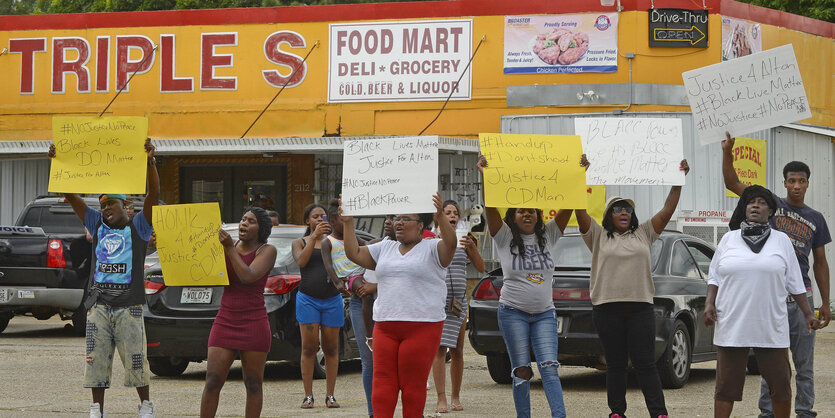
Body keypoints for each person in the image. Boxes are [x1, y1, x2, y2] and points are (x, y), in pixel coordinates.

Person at [721, 132, 831, 418]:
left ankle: (805, 411)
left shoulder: (816, 218)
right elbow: (733, 183)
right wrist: (727, 153)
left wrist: (825, 303)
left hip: (802, 293)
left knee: (804, 364)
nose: (796, 185)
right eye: (791, 181)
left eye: (801, 181)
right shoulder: (770, 204)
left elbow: (820, 262)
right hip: (772, 297)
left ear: (808, 183)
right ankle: (767, 413)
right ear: (784, 184)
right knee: (773, 360)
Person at [48, 139, 159, 418]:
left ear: (126, 206)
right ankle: (96, 409)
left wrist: (151, 161)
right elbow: (72, 197)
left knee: (136, 360)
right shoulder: (96, 225)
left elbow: (154, 195)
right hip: (98, 306)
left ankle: (145, 406)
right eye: (103, 204)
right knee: (95, 360)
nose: (107, 208)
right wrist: (57, 163)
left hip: (129, 307)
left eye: (112, 203)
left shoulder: (139, 228)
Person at [574, 154, 688, 418]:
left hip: (640, 309)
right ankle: (617, 412)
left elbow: (667, 210)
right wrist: (580, 175)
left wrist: (678, 181)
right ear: (608, 215)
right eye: (617, 208)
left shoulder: (644, 233)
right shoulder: (597, 236)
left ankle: (659, 413)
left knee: (645, 363)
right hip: (606, 309)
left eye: (627, 209)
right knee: (615, 364)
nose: (623, 212)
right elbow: (579, 209)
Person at [705, 185, 821, 418]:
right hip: (732, 324)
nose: (755, 206)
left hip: (770, 325)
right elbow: (714, 276)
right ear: (745, 208)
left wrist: (808, 313)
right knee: (726, 387)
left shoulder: (781, 241)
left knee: (780, 385)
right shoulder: (729, 239)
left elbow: (795, 282)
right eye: (751, 202)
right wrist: (709, 304)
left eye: (761, 202)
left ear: (771, 211)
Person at [341, 192, 457, 418]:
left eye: (406, 218)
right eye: (396, 218)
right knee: (383, 383)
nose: (399, 223)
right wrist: (348, 222)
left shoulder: (434, 248)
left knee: (412, 386)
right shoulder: (384, 247)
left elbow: (451, 243)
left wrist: (440, 214)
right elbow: (353, 253)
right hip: (385, 324)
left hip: (422, 326)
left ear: (420, 225)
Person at [476, 155, 571, 418]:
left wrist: (578, 173)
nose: (527, 213)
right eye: (521, 210)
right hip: (512, 312)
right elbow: (490, 205)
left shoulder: (549, 235)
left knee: (549, 368)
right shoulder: (504, 237)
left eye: (531, 209)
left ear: (538, 215)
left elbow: (570, 202)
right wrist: (485, 175)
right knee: (521, 370)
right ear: (513, 216)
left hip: (544, 314)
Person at [199, 207, 277, 418]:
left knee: (253, 383)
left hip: (254, 322)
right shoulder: (227, 247)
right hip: (226, 318)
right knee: (213, 379)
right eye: (243, 219)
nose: (244, 224)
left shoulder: (267, 251)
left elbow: (248, 276)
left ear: (261, 228)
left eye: (250, 221)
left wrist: (228, 249)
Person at [431, 200, 485, 413]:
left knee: (458, 350)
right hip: (437, 302)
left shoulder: (466, 239)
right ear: (440, 217)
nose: (452, 216)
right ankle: (441, 398)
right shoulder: (431, 239)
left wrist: (472, 248)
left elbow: (481, 268)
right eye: (447, 212)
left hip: (458, 303)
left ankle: (455, 396)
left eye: (455, 213)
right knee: (439, 350)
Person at [291, 203, 345, 409]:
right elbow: (301, 262)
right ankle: (308, 395)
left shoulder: (334, 242)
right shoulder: (300, 242)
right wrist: (314, 237)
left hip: (332, 299)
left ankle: (330, 395)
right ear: (307, 220)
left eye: (323, 216)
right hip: (308, 299)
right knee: (309, 347)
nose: (320, 219)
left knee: (331, 348)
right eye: (315, 216)